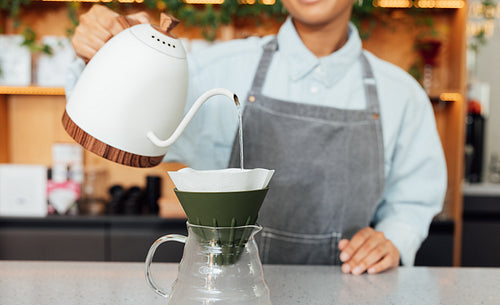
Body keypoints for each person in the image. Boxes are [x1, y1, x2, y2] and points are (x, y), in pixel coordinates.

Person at [66, 0, 447, 274]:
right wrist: (103, 51)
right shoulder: (213, 71)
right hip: (229, 299)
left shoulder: (402, 94)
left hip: (353, 297)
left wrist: (393, 238)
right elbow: (124, 122)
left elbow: (413, 200)